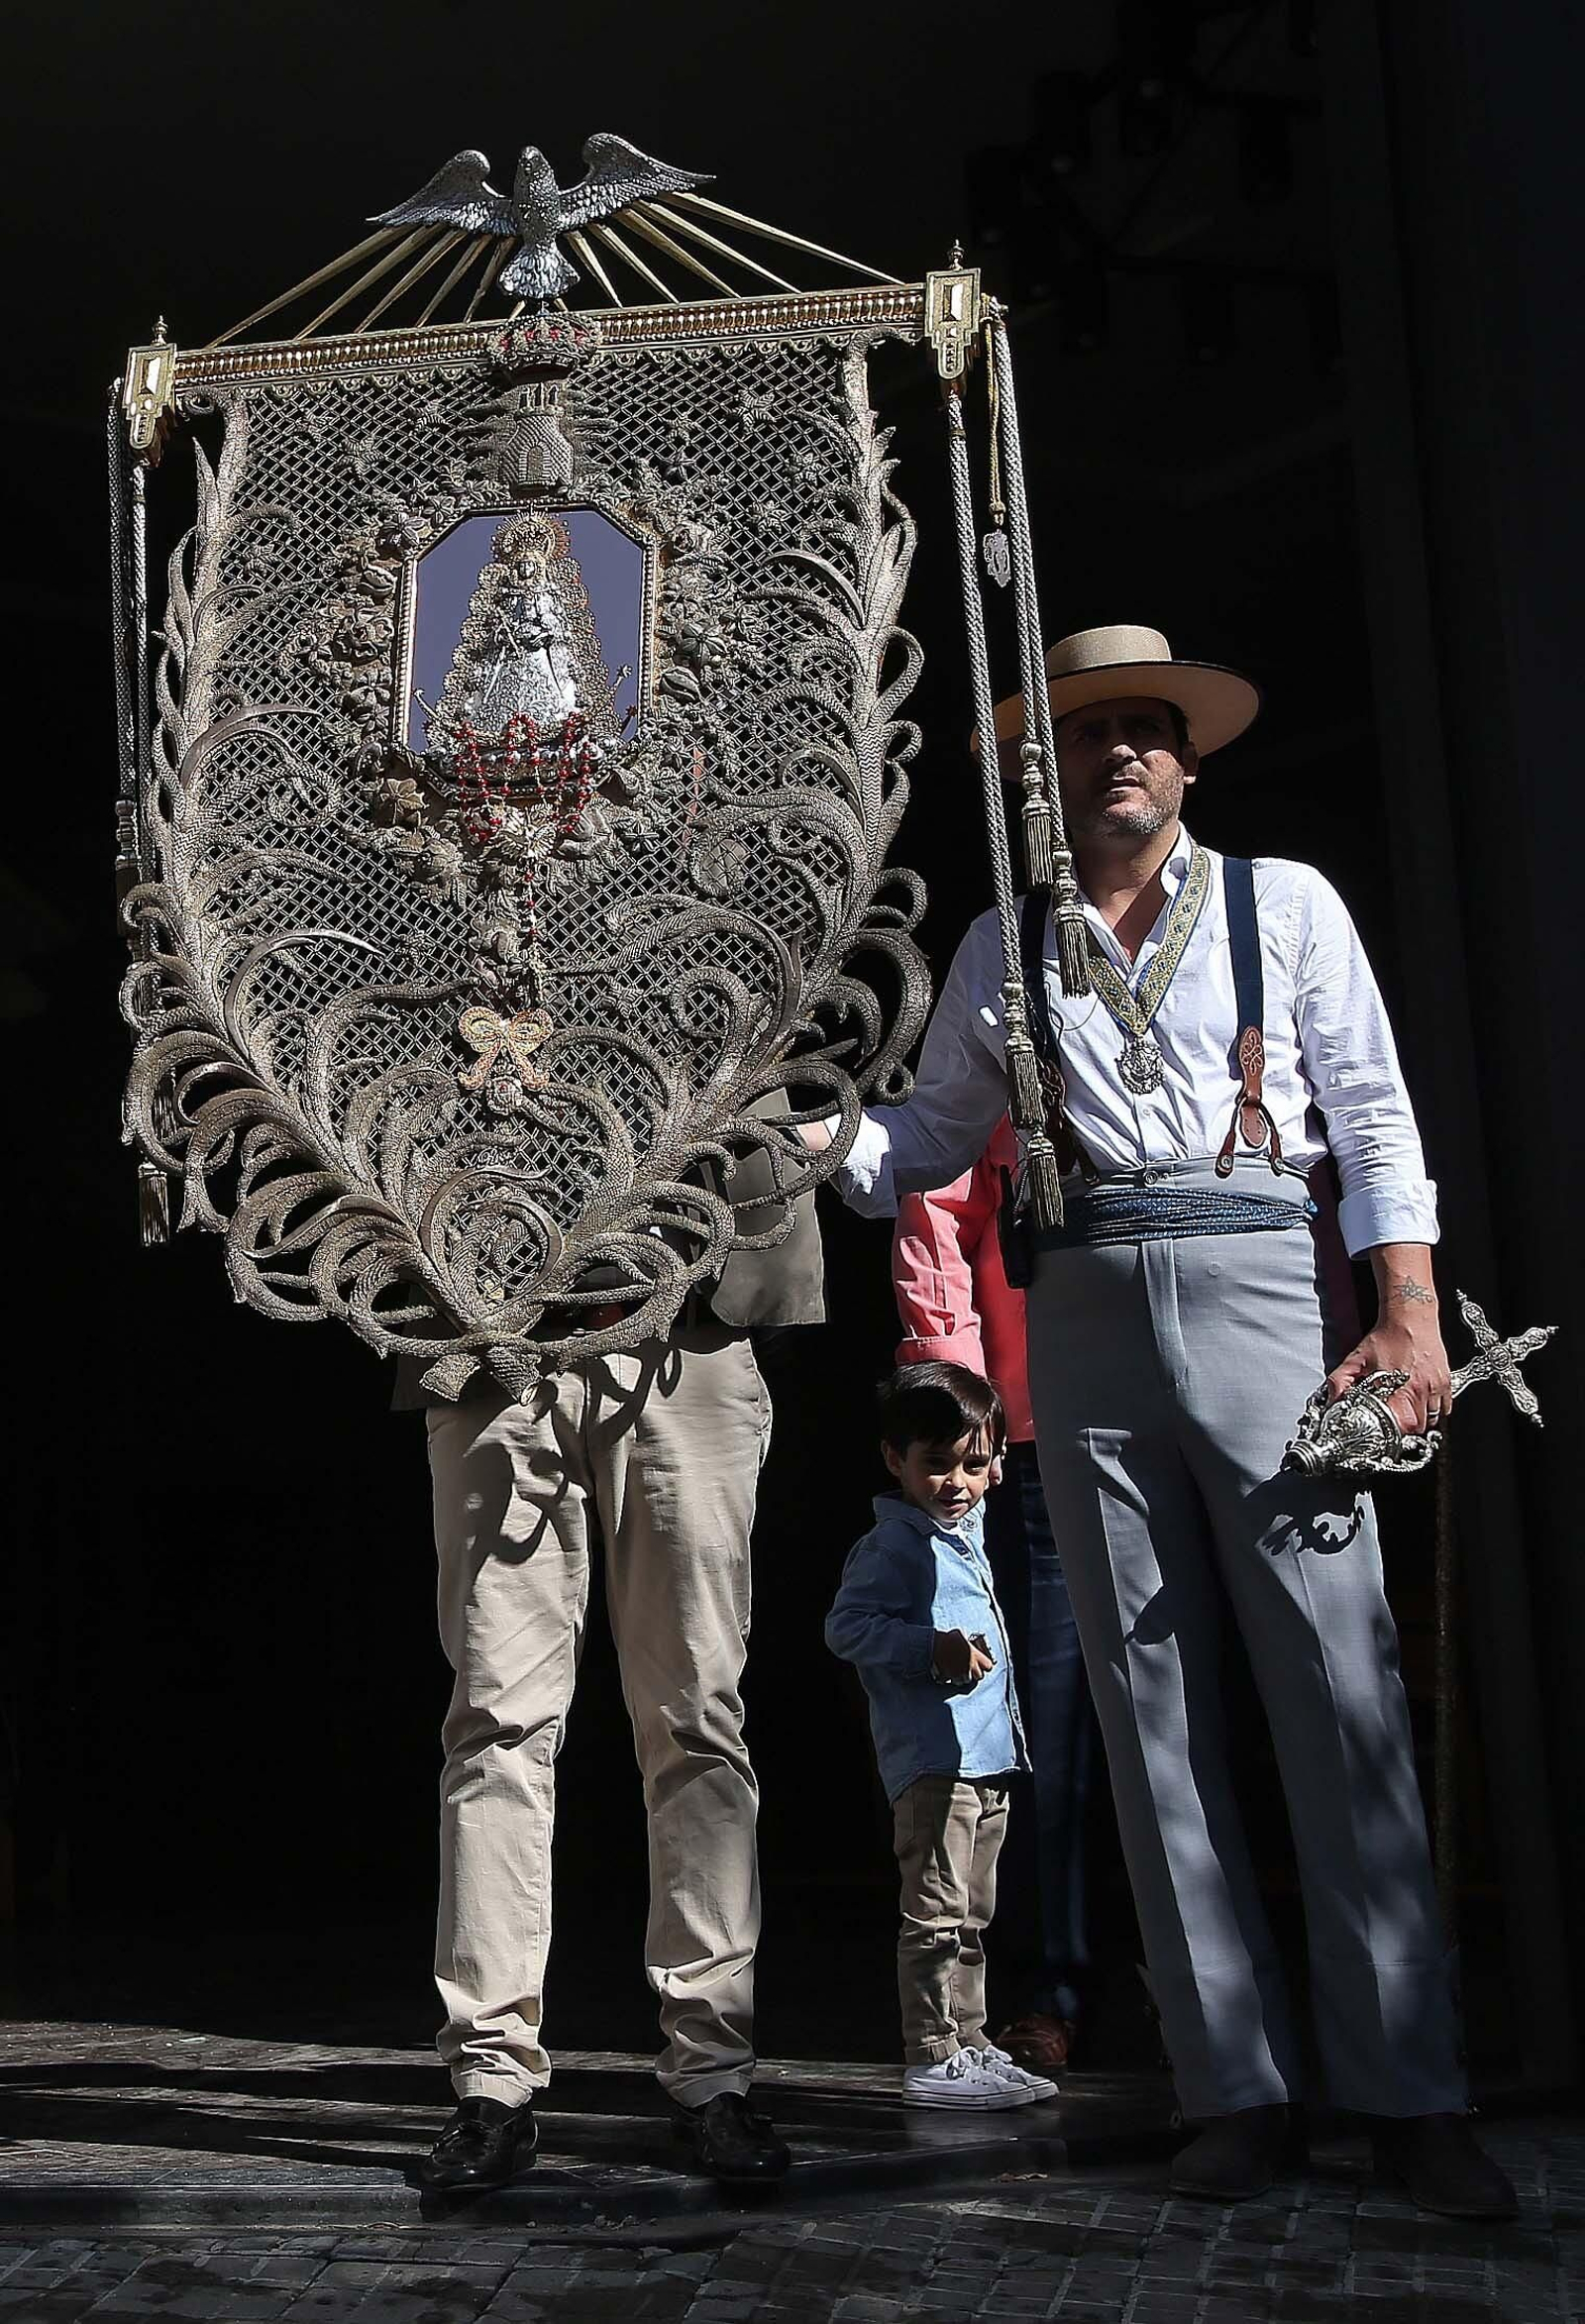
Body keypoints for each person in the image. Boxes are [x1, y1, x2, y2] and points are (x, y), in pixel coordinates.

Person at [811, 624, 1517, 2217]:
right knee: (1149, 1712)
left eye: (1145, 729)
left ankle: (1411, 2090)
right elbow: (930, 1137)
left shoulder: (1290, 904)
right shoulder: (1005, 939)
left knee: (1340, 1688)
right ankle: (1232, 2087)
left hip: (1265, 1270)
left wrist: (1404, 1310)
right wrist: (794, 1131)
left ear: (1188, 761)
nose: (1118, 752)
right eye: (1086, 734)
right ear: (1041, 777)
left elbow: (1381, 1119)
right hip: (1090, 1297)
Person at [404, 1113, 823, 2191]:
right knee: (496, 1722)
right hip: (493, 1343)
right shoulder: (434, 942)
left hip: (688, 1330)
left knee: (694, 1714)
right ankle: (491, 2085)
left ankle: (713, 2073)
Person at [893, 1128, 1094, 2074]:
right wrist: (966, 1407)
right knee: (1037, 1731)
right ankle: (1046, 1986)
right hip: (1038, 1427)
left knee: (1190, 1715)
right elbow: (940, 1191)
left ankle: (1222, 2000)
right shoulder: (1016, 991)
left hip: (1211, 1407)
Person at [825, 1363, 1056, 2109]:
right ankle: (930, 2050)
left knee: (971, 1916)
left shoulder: (967, 1529)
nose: (957, 1481)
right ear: (896, 1461)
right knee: (933, 1914)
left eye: (974, 1463)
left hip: (987, 1758)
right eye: (936, 1464)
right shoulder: (891, 1547)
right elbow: (847, 1628)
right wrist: (932, 1647)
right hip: (933, 1765)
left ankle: (972, 2039)